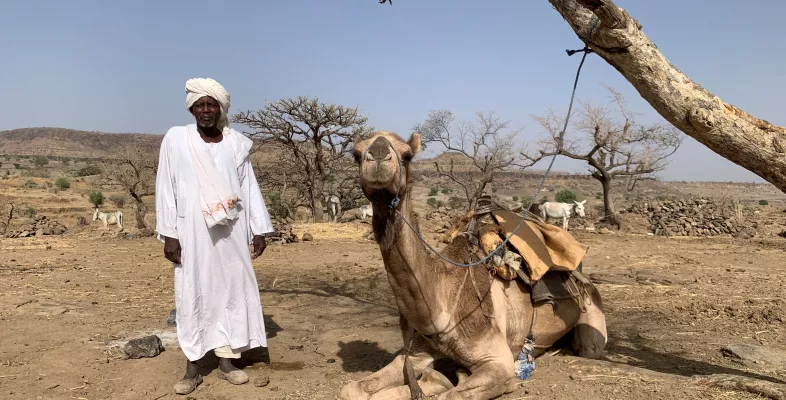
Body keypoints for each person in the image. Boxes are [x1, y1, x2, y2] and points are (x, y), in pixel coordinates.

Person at [155, 77, 275, 395]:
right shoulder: (177, 139)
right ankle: (193, 366)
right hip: (190, 230)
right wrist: (169, 233)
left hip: (231, 229)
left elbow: (247, 187)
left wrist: (258, 228)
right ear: (192, 108)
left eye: (212, 104)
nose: (206, 110)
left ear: (220, 108)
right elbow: (166, 187)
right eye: (200, 104)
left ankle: (226, 361)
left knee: (231, 290)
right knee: (193, 290)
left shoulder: (236, 143)